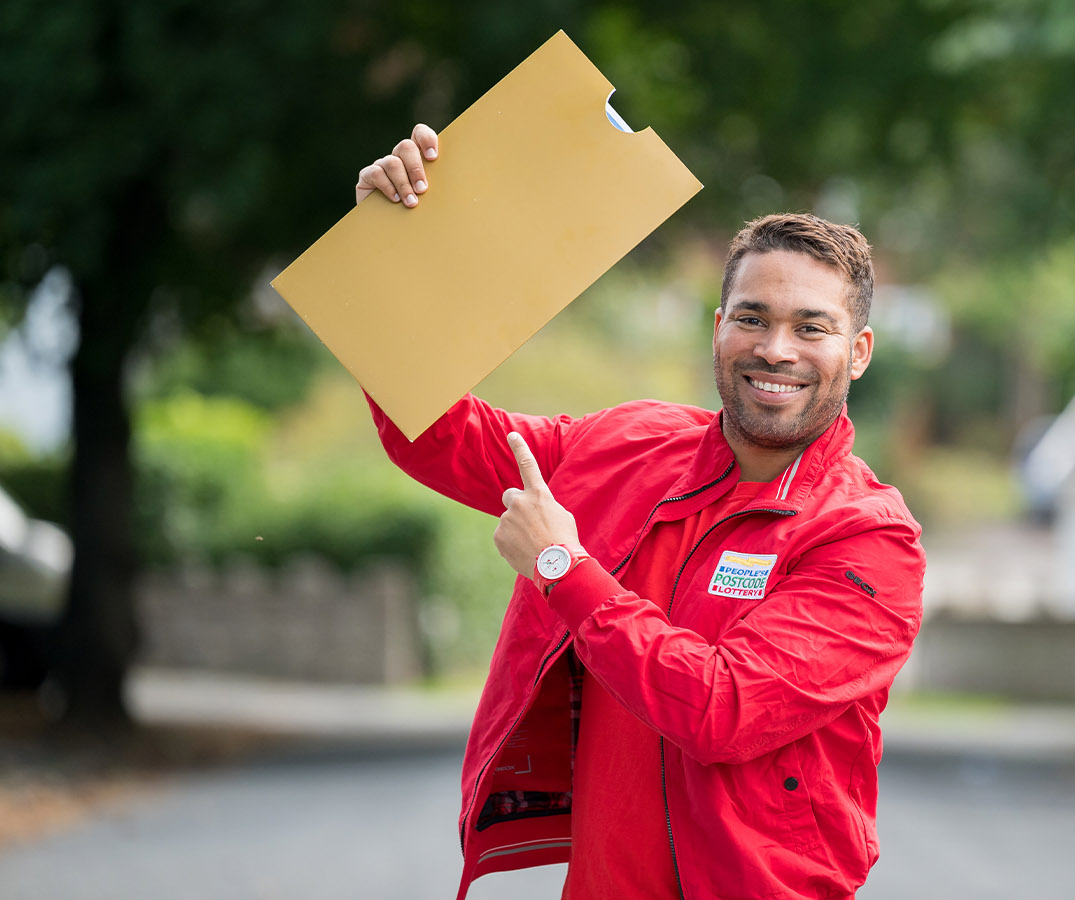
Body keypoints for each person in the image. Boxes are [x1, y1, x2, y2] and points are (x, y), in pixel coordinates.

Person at [357, 125, 925, 900]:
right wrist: (386, 258)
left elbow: (721, 710)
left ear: (857, 352)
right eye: (752, 318)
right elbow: (440, 438)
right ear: (717, 328)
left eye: (812, 328)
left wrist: (563, 567)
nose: (777, 349)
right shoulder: (626, 444)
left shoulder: (870, 541)